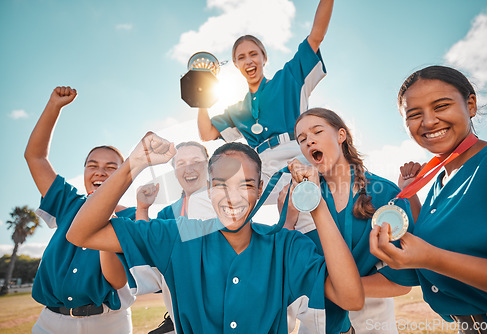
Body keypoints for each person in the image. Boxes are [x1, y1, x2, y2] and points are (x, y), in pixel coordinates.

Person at [67, 133, 365, 333]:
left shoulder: (284, 247)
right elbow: (81, 234)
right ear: (208, 189)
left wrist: (315, 203)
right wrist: (133, 164)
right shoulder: (176, 236)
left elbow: (351, 298)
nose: (232, 197)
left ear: (260, 190)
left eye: (246, 185)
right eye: (221, 184)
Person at [370, 65, 487, 333]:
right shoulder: (437, 184)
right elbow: (429, 243)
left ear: (471, 105)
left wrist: (431, 259)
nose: (428, 122)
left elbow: (431, 255)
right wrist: (412, 195)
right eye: (415, 114)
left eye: (441, 106)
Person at [197, 0, 334, 233]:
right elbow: (206, 133)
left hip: (296, 154)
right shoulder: (236, 109)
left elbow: (315, 37)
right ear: (237, 65)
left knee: (306, 220)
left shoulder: (288, 79)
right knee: (212, 200)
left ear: (264, 57)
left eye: (253, 54)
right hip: (261, 167)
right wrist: (199, 96)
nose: (248, 61)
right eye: (241, 57)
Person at [281, 107, 413, 333]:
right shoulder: (300, 199)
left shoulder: (385, 194)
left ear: (341, 135)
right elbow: (289, 267)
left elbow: (403, 282)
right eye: (302, 140)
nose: (309, 142)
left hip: (373, 324)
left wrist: (342, 288)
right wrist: (288, 221)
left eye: (317, 132)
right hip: (317, 326)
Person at [25, 86, 134, 333]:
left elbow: (117, 279)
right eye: (92, 165)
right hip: (50, 322)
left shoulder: (132, 217)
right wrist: (54, 106)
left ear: (123, 175)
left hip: (107, 323)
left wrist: (107, 217)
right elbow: (35, 157)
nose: (100, 172)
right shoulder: (68, 203)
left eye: (111, 167)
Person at [135, 141, 212, 334]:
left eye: (196, 160)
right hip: (182, 316)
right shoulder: (169, 214)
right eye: (181, 163)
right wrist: (142, 208)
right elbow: (147, 248)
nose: (189, 168)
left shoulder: (228, 201)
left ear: (209, 165)